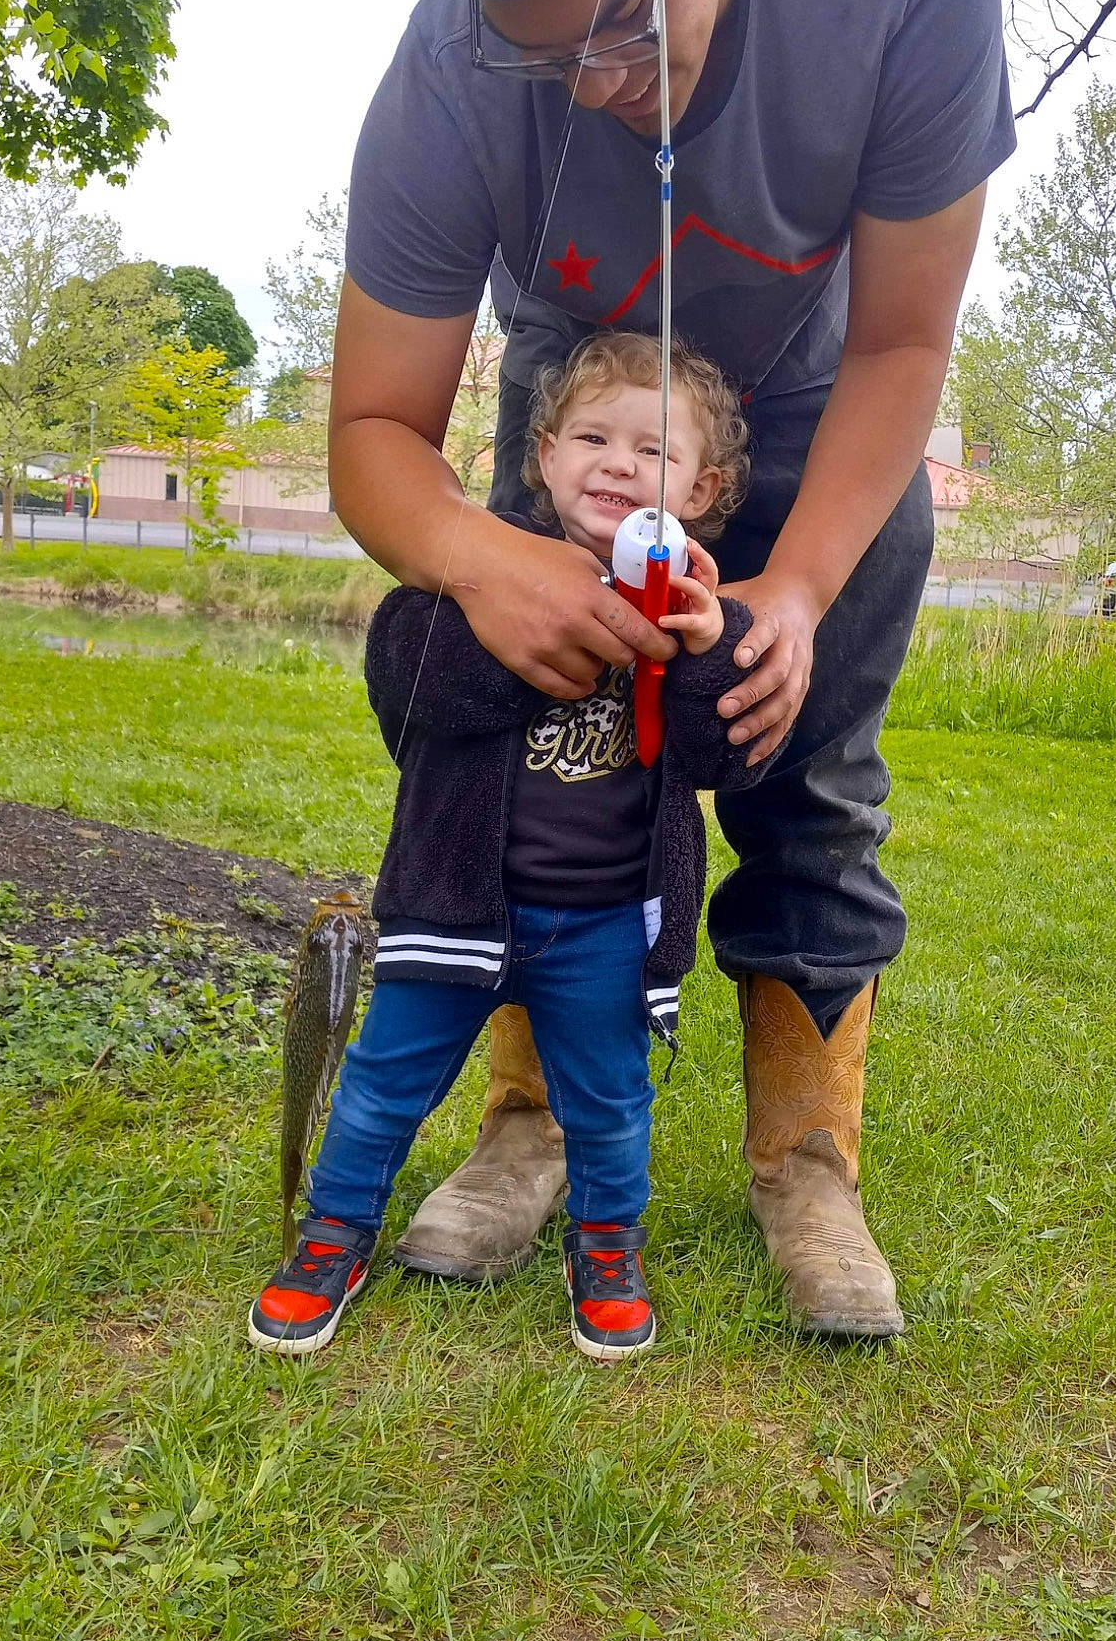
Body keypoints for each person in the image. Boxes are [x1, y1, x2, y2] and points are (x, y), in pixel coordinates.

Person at [328, 0, 1016, 1336]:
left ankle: (808, 1159)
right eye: (547, 53)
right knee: (532, 775)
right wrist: (482, 558)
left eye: (631, 23)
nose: (606, 91)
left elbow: (905, 344)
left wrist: (800, 589)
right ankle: (533, 1126)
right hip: (574, 412)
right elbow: (375, 428)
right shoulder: (445, 74)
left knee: (810, 779)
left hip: (824, 414)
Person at [249, 331, 768, 1360]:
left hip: (606, 924)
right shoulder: (468, 581)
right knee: (383, 1081)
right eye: (592, 437)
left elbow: (725, 760)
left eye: (653, 451)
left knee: (613, 1101)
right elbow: (411, 692)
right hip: (455, 906)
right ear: (541, 455)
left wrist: (705, 651)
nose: (619, 462)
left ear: (700, 488)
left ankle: (608, 1246)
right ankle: (333, 1232)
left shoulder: (704, 618)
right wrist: (521, 618)